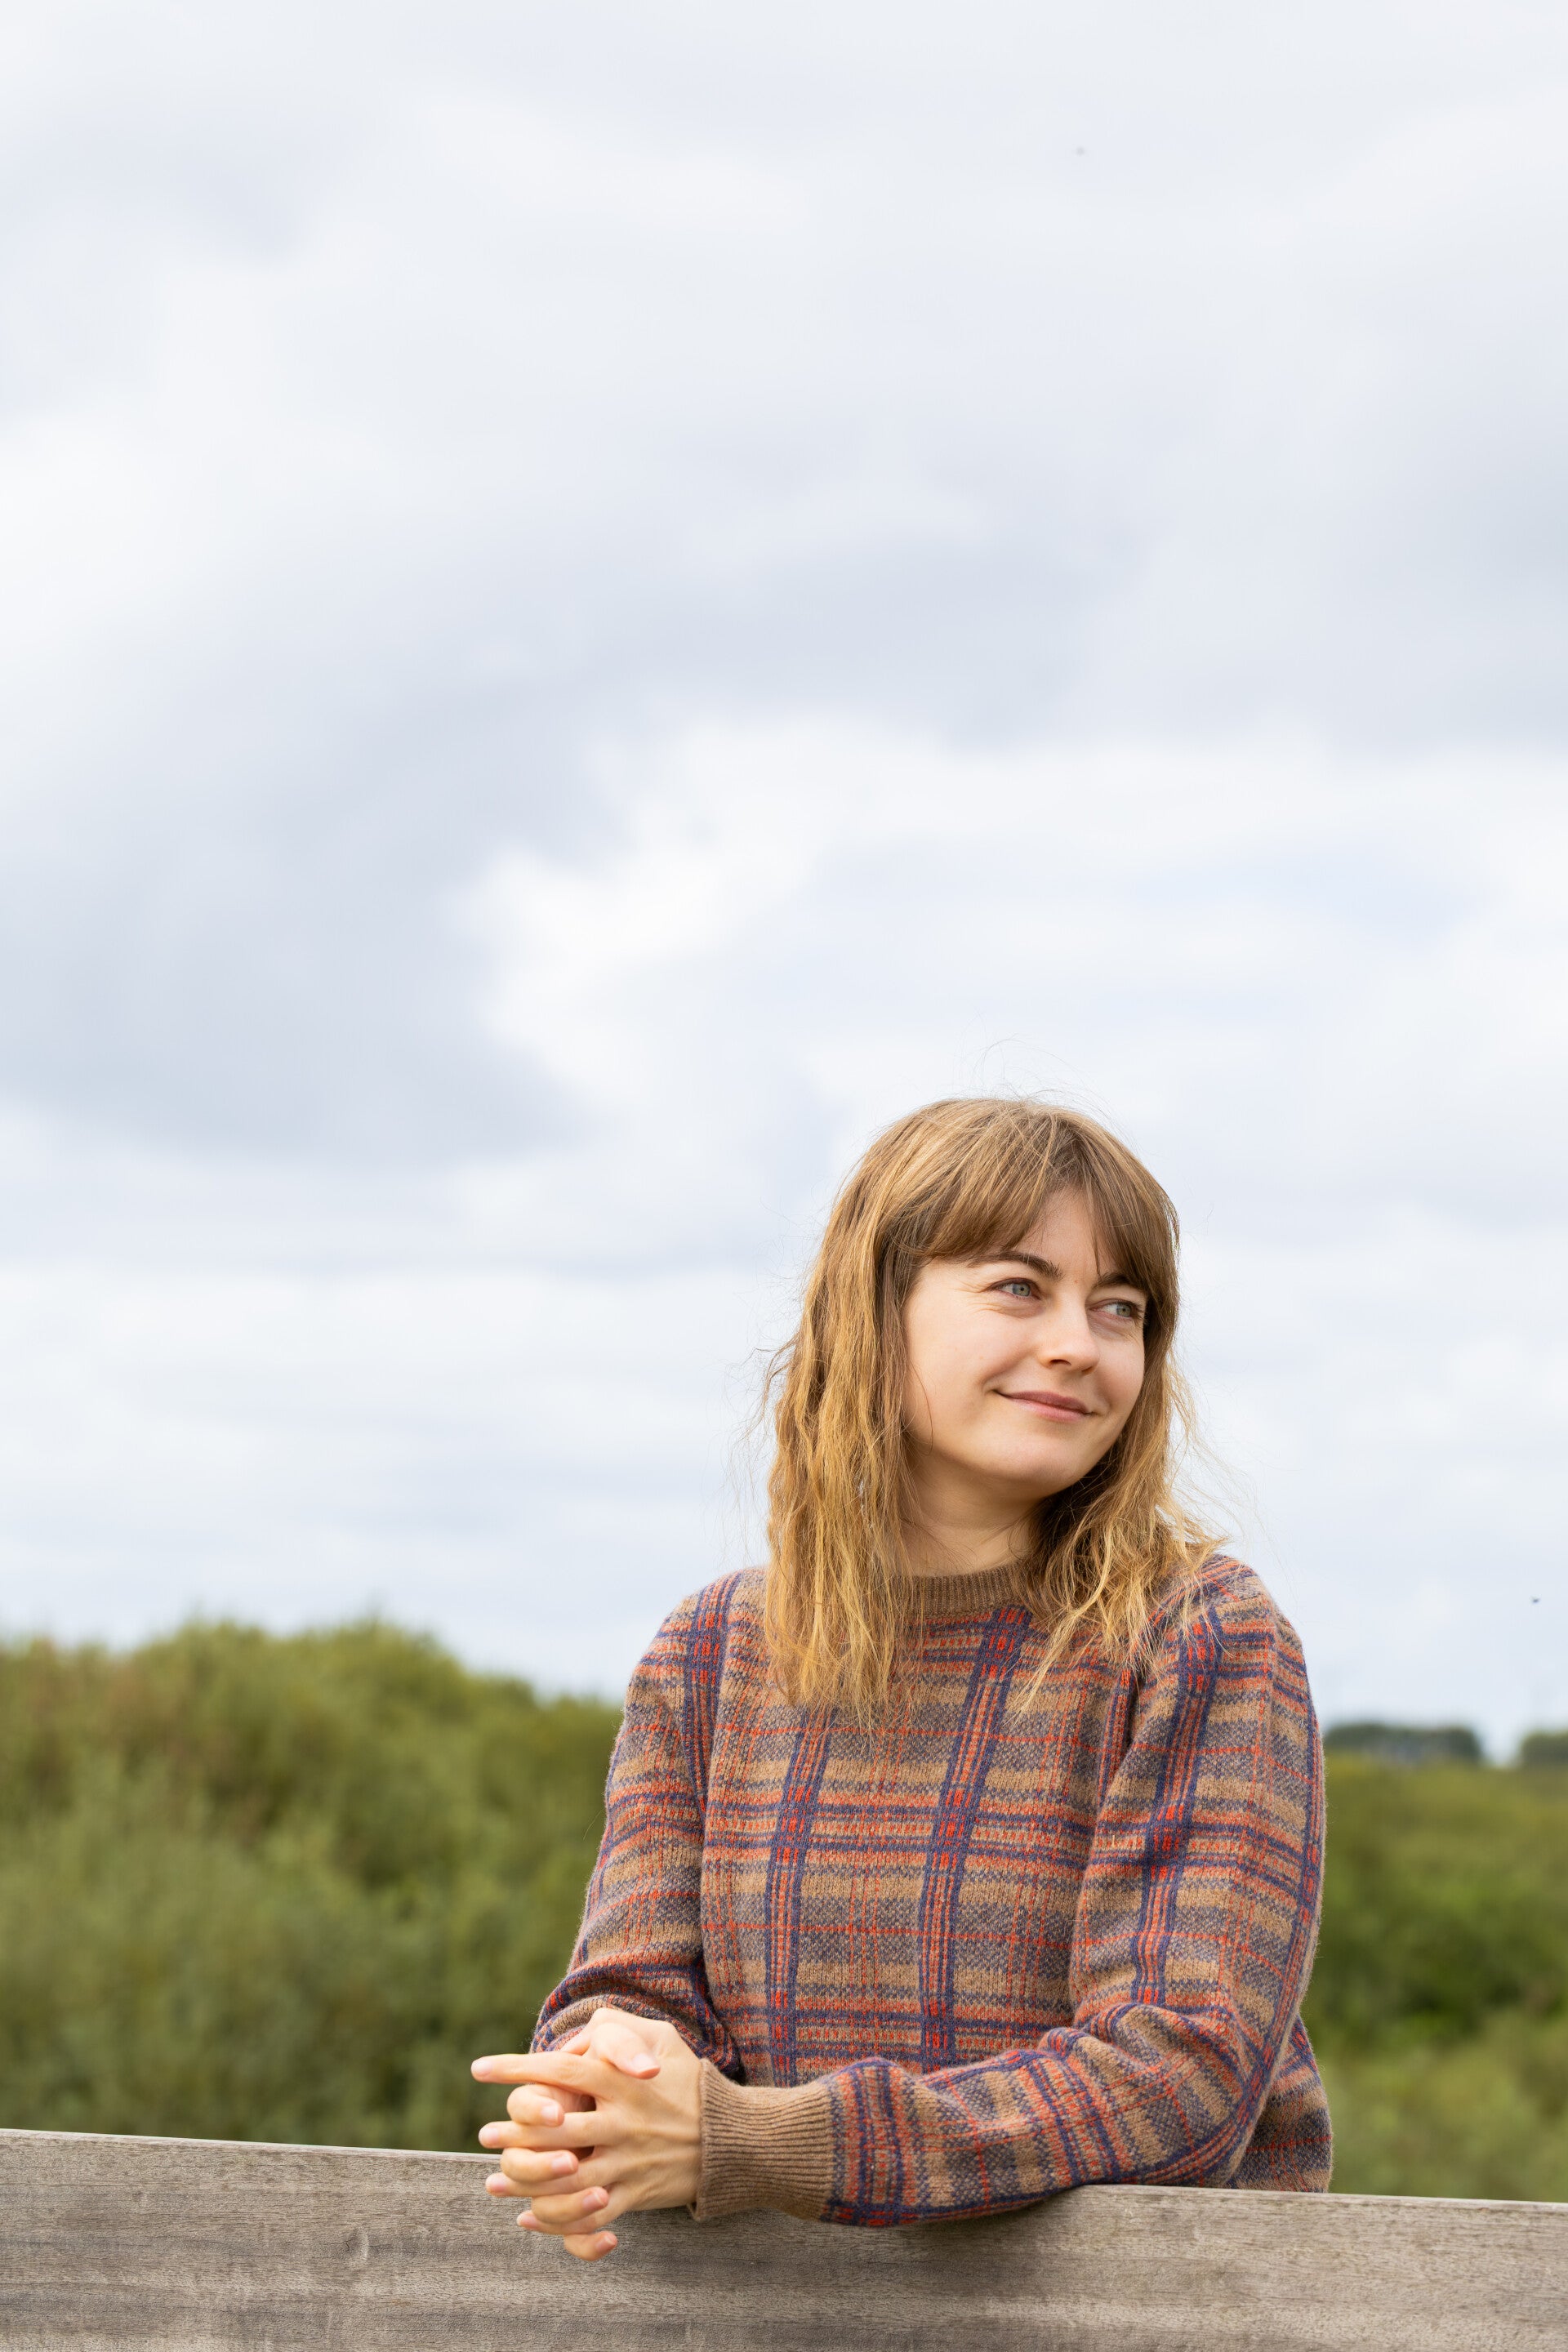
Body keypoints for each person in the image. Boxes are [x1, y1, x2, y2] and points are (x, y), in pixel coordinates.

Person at [473, 1098, 1330, 2260]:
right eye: (1021, 1288)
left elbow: (1181, 2080)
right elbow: (634, 1989)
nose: (1080, 1341)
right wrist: (606, 2074)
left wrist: (758, 2144)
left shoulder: (1200, 1639)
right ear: (877, 1311)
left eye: (1118, 1309)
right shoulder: (712, 1654)